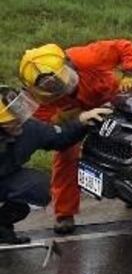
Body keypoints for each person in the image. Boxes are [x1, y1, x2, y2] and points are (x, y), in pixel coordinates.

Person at [18, 40, 132, 234]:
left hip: (111, 101)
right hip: (76, 119)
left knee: (128, 147)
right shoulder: (41, 98)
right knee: (66, 157)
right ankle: (64, 214)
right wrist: (65, 124)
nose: (56, 89)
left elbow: (123, 47)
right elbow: (46, 132)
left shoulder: (88, 57)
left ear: (66, 65)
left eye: (57, 82)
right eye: (49, 88)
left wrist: (129, 73)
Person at [0, 86, 111, 245]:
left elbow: (58, 137)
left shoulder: (28, 129)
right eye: (12, 121)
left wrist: (82, 120)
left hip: (5, 176)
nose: (20, 122)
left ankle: (1, 227)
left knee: (38, 188)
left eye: (19, 116)